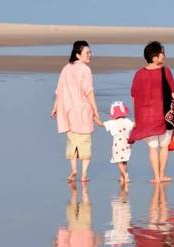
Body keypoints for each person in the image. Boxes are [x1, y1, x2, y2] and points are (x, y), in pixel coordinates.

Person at [51, 40, 103, 183]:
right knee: (85, 142)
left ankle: (73, 170)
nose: (90, 55)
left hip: (68, 111)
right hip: (82, 111)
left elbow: (59, 90)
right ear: (78, 55)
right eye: (87, 53)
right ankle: (84, 175)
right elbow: (88, 91)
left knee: (72, 141)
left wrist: (55, 107)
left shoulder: (66, 68)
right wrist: (95, 110)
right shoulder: (85, 69)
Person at [129, 41, 174, 183]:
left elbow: (134, 96)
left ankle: (156, 176)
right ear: (155, 57)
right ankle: (161, 175)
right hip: (163, 115)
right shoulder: (165, 71)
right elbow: (173, 93)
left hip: (145, 117)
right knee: (163, 146)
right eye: (162, 52)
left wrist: (136, 117)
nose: (164, 55)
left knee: (152, 147)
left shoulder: (138, 74)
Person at [103, 101, 134, 183]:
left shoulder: (113, 123)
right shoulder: (127, 121)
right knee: (124, 159)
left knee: (118, 160)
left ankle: (124, 175)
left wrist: (94, 118)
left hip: (118, 145)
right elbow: (135, 126)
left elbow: (102, 124)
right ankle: (122, 176)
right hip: (127, 144)